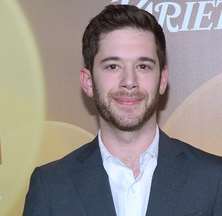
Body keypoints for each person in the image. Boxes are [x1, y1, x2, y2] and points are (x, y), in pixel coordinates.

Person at [23, 4, 222, 216]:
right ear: (88, 81)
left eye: (143, 66)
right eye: (112, 66)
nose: (129, 81)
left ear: (163, 80)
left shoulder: (213, 178)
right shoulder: (50, 187)